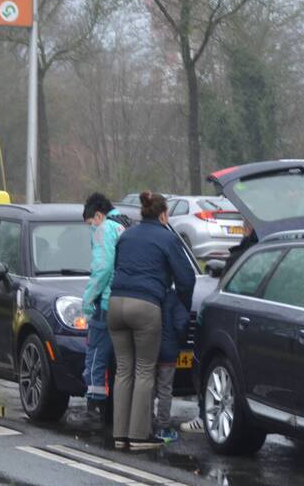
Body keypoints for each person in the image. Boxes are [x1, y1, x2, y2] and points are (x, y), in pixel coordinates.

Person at [108, 192, 195, 450]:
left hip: (116, 304)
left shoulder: (126, 236)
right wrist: (180, 304)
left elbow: (117, 267)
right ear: (163, 215)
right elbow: (187, 278)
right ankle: (139, 436)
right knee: (145, 370)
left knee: (123, 370)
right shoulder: (167, 238)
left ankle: (120, 435)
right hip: (145, 306)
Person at [180, 219, 256, 434]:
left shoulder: (246, 257)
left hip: (237, 322)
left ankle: (204, 416)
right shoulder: (267, 252)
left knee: (216, 364)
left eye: (244, 224)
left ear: (248, 228)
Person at [80, 193, 130, 416]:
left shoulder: (104, 228)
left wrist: (88, 299)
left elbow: (102, 269)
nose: (91, 229)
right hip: (129, 301)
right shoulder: (126, 224)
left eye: (90, 223)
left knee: (96, 354)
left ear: (98, 216)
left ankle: (95, 404)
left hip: (107, 302)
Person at [153, 288, 189, 443]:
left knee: (148, 386)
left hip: (149, 349)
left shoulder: (150, 293)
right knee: (165, 389)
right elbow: (182, 323)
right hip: (168, 351)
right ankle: (163, 425)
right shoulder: (173, 297)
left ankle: (146, 422)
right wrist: (178, 342)